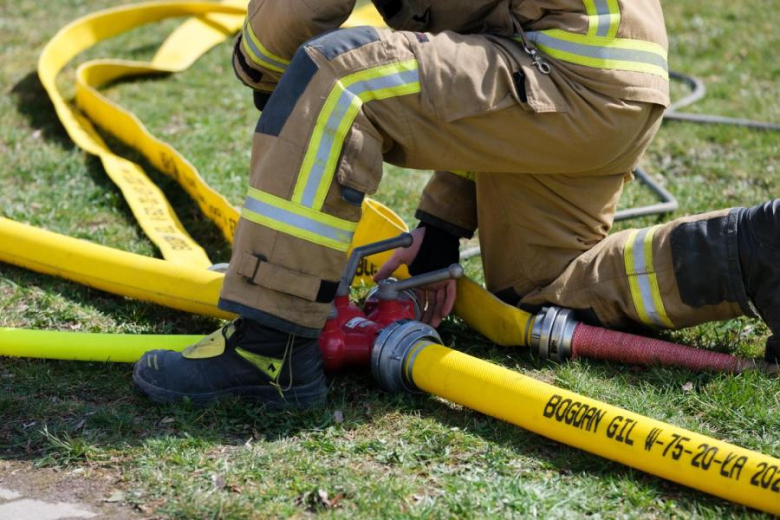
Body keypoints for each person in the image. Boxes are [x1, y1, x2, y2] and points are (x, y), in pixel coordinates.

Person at [133, 0, 779, 406]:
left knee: (334, 76)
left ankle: (265, 350)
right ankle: (753, 253)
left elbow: (286, 32)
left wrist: (258, 65)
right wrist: (440, 230)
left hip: (559, 65)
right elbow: (481, 36)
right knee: (539, 287)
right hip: (615, 76)